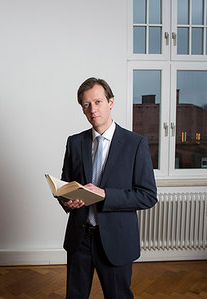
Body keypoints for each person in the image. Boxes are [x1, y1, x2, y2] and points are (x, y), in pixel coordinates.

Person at [59, 77, 157, 299]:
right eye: (86, 104)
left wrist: (105, 195)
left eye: (98, 102)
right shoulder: (75, 142)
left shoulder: (136, 144)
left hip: (116, 240)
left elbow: (147, 196)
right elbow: (66, 185)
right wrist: (67, 200)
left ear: (110, 102)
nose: (93, 109)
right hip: (79, 237)